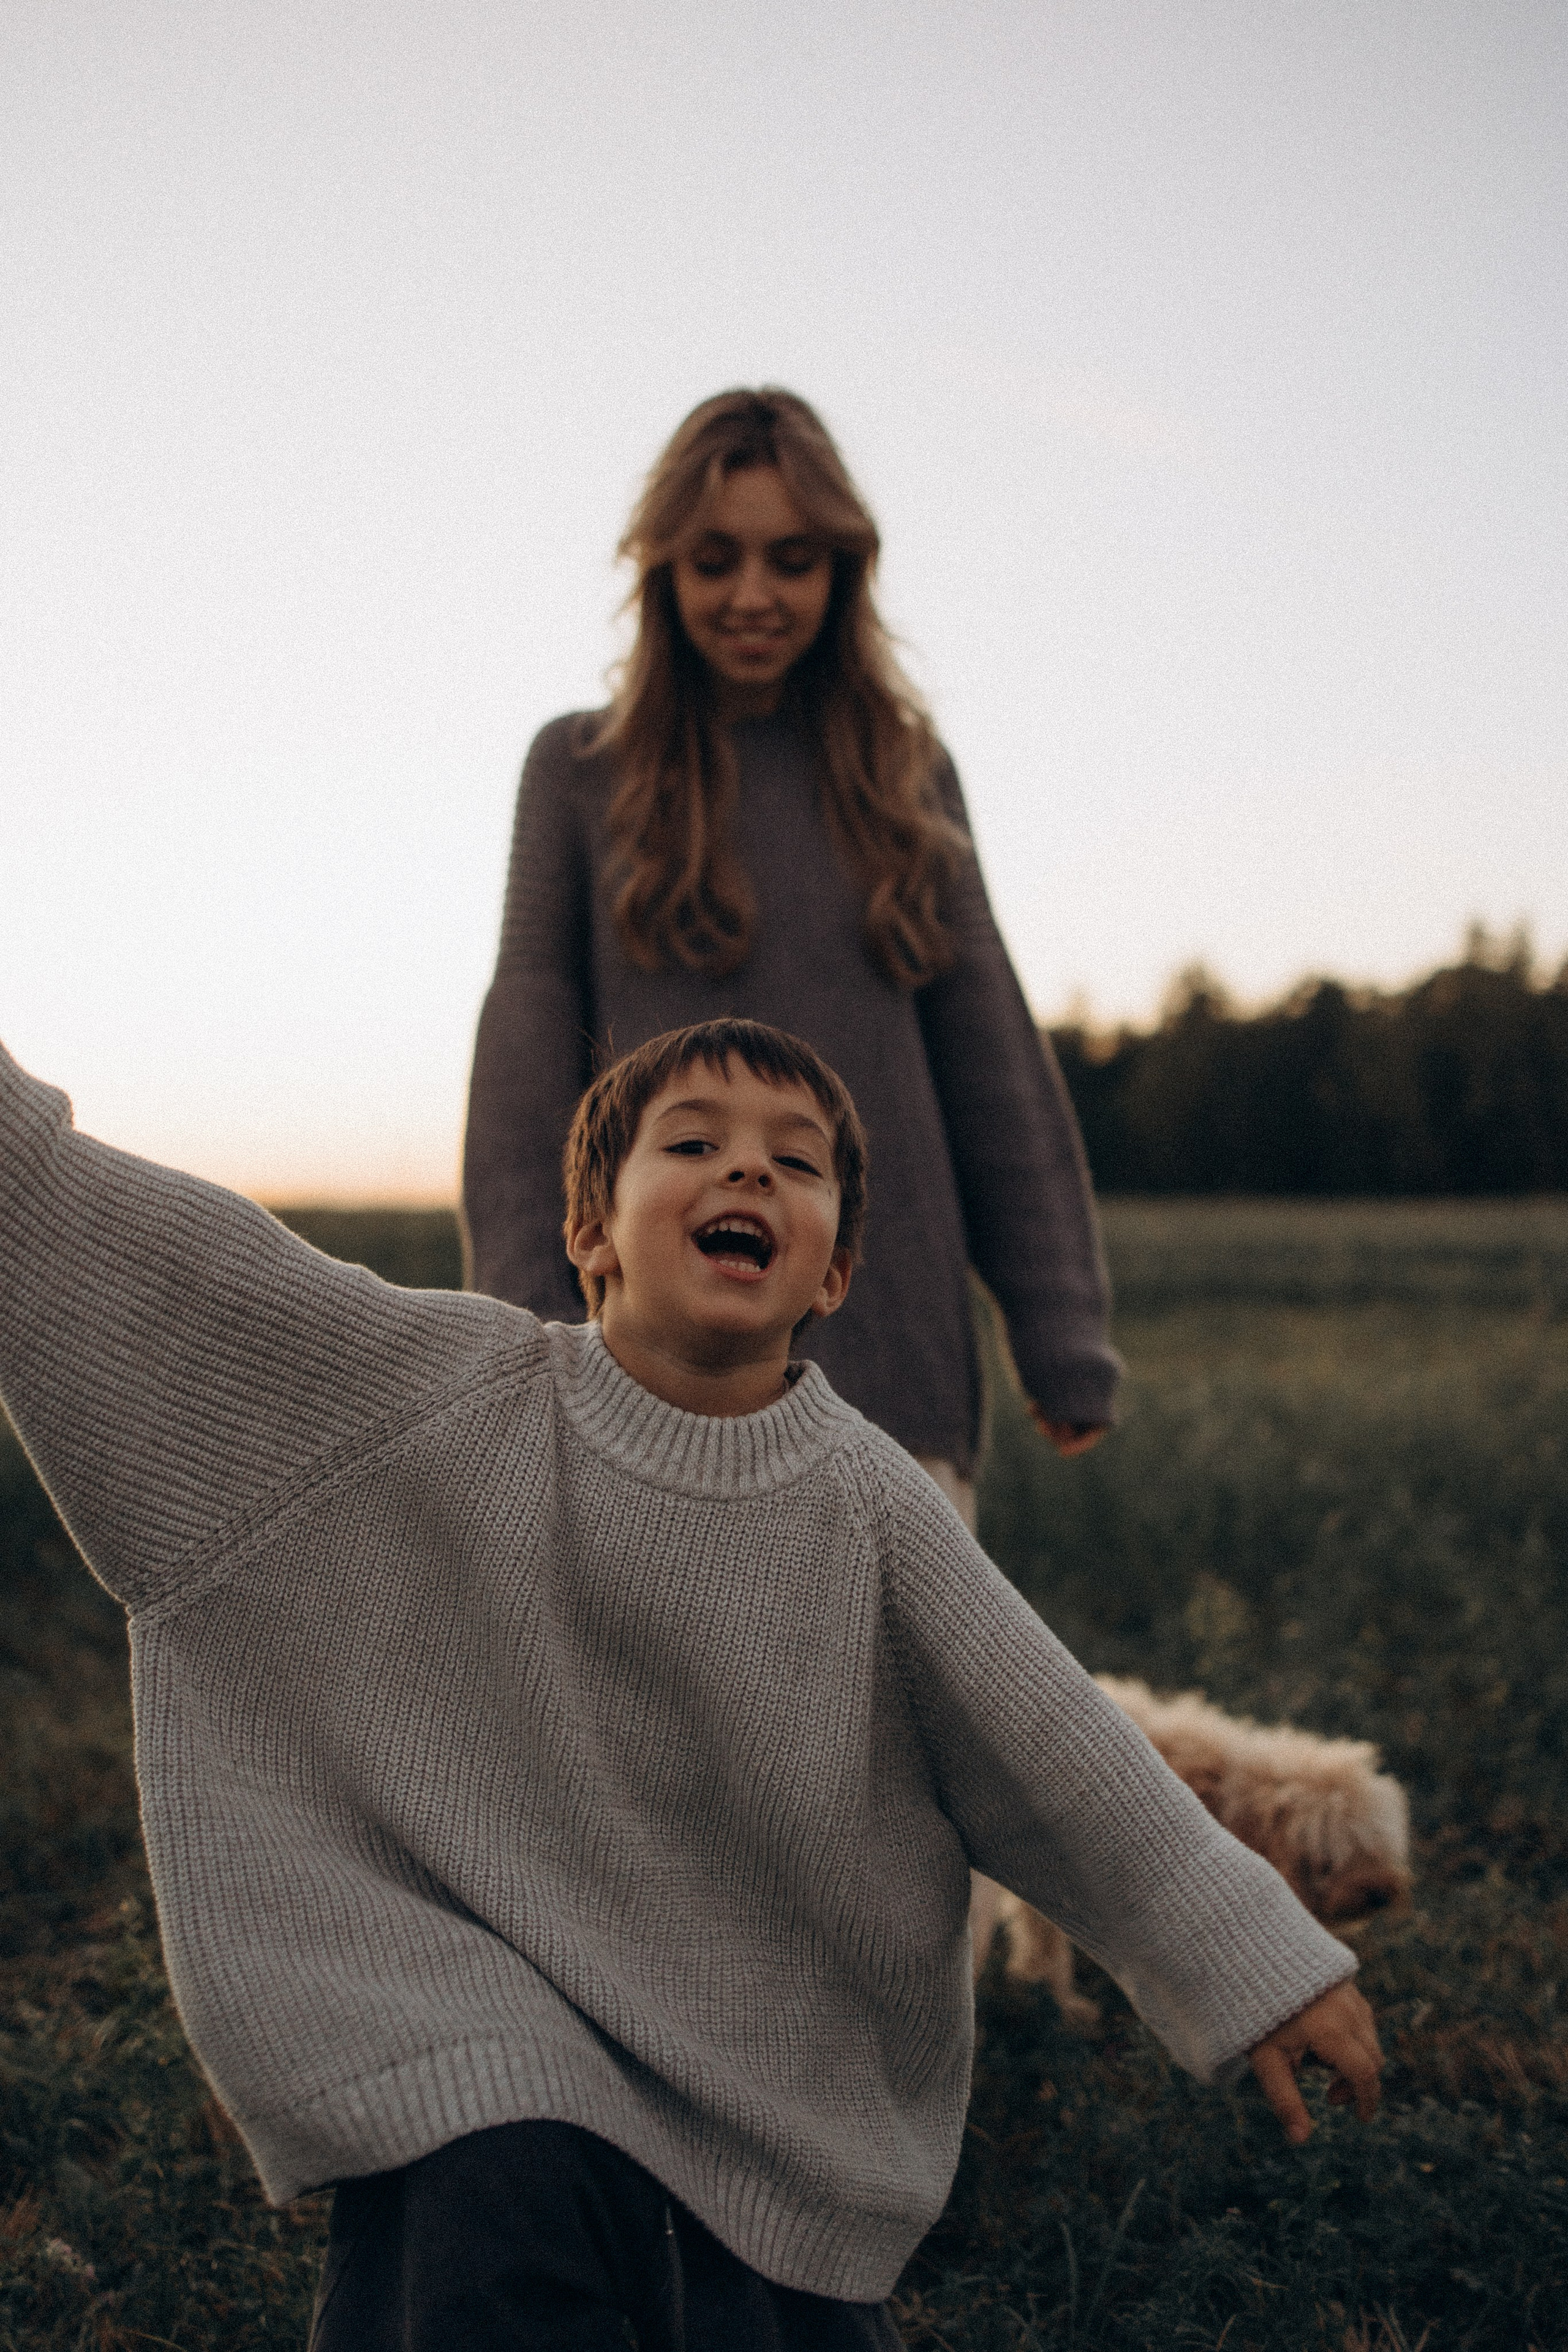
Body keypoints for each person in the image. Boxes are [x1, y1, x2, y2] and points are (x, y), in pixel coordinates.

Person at [0, 1016, 1381, 2350]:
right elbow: (189, 1284)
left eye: (796, 1160)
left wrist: (1252, 1964)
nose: (747, 1171)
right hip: (469, 1994)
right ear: (590, 1236)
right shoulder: (455, 1395)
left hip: (771, 2058)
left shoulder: (872, 1509)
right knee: (491, 2197)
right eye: (693, 1144)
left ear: (833, 1272)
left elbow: (1057, 1751)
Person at [463, 386, 1120, 1531]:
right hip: (652, 1368)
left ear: (842, 573)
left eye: (794, 560)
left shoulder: (908, 777)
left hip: (896, 1356)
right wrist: (527, 1329)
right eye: (716, 560)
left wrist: (1061, 1333)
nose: (755, 596)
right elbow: (526, 1067)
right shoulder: (578, 771)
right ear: (664, 571)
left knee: (880, 1708)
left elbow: (992, 1064)